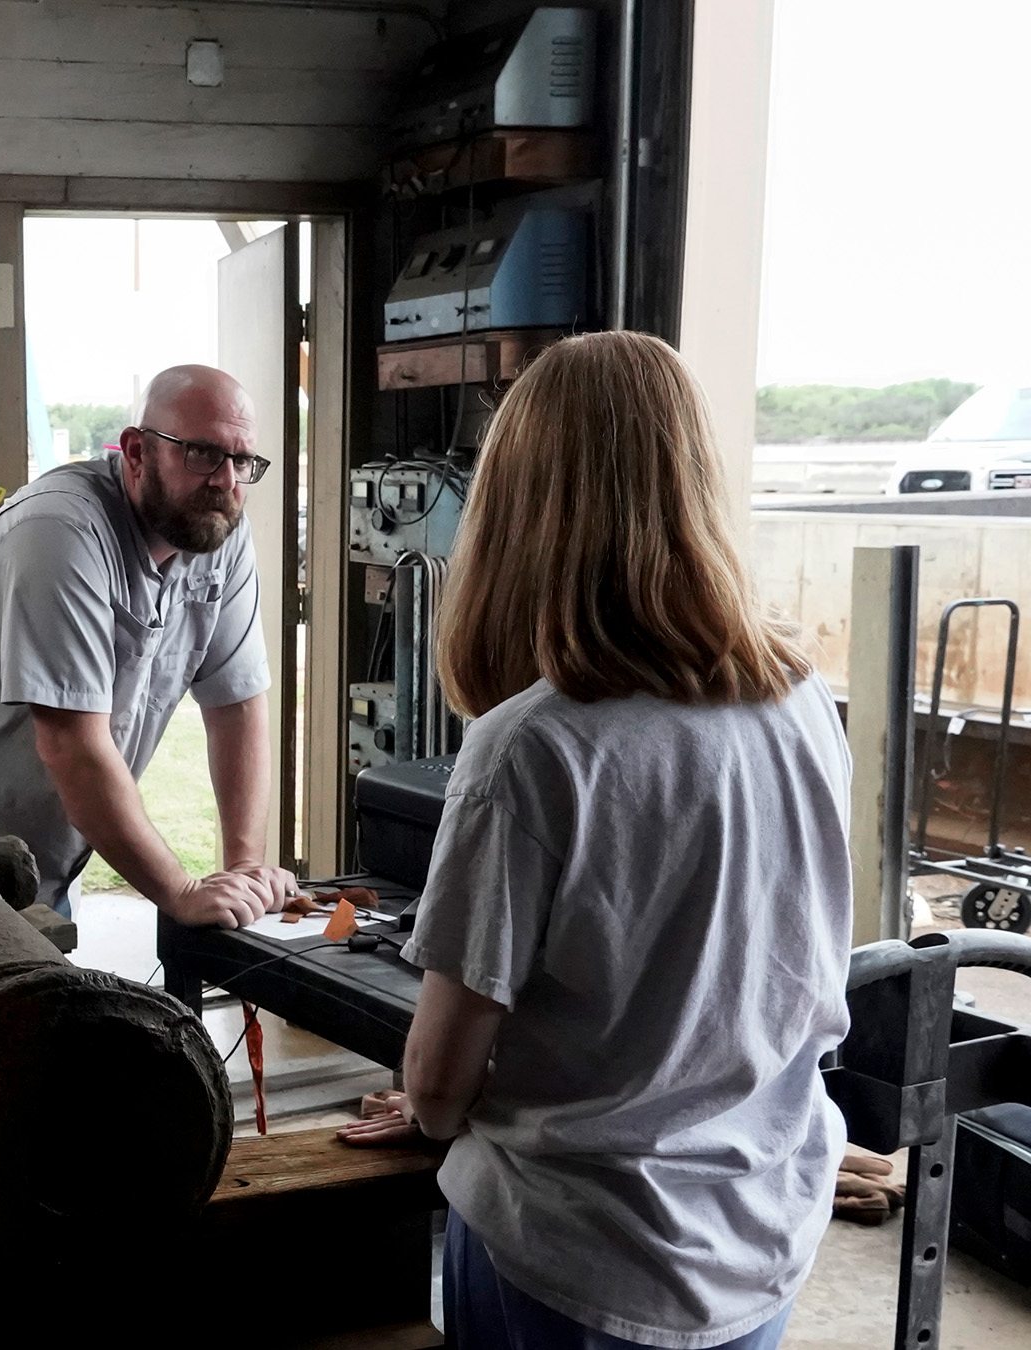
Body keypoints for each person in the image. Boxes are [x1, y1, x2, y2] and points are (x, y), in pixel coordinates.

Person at [336, 331, 851, 1350]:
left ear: (518, 510)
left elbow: (437, 1087)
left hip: (576, 1261)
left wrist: (435, 1107)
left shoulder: (530, 745)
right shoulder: (798, 700)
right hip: (761, 1235)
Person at [0, 365, 296, 925]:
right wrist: (181, 892)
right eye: (202, 453)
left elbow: (237, 704)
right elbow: (71, 746)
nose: (226, 480)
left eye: (242, 461)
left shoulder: (216, 532)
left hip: (38, 848)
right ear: (135, 451)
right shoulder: (59, 531)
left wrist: (244, 870)